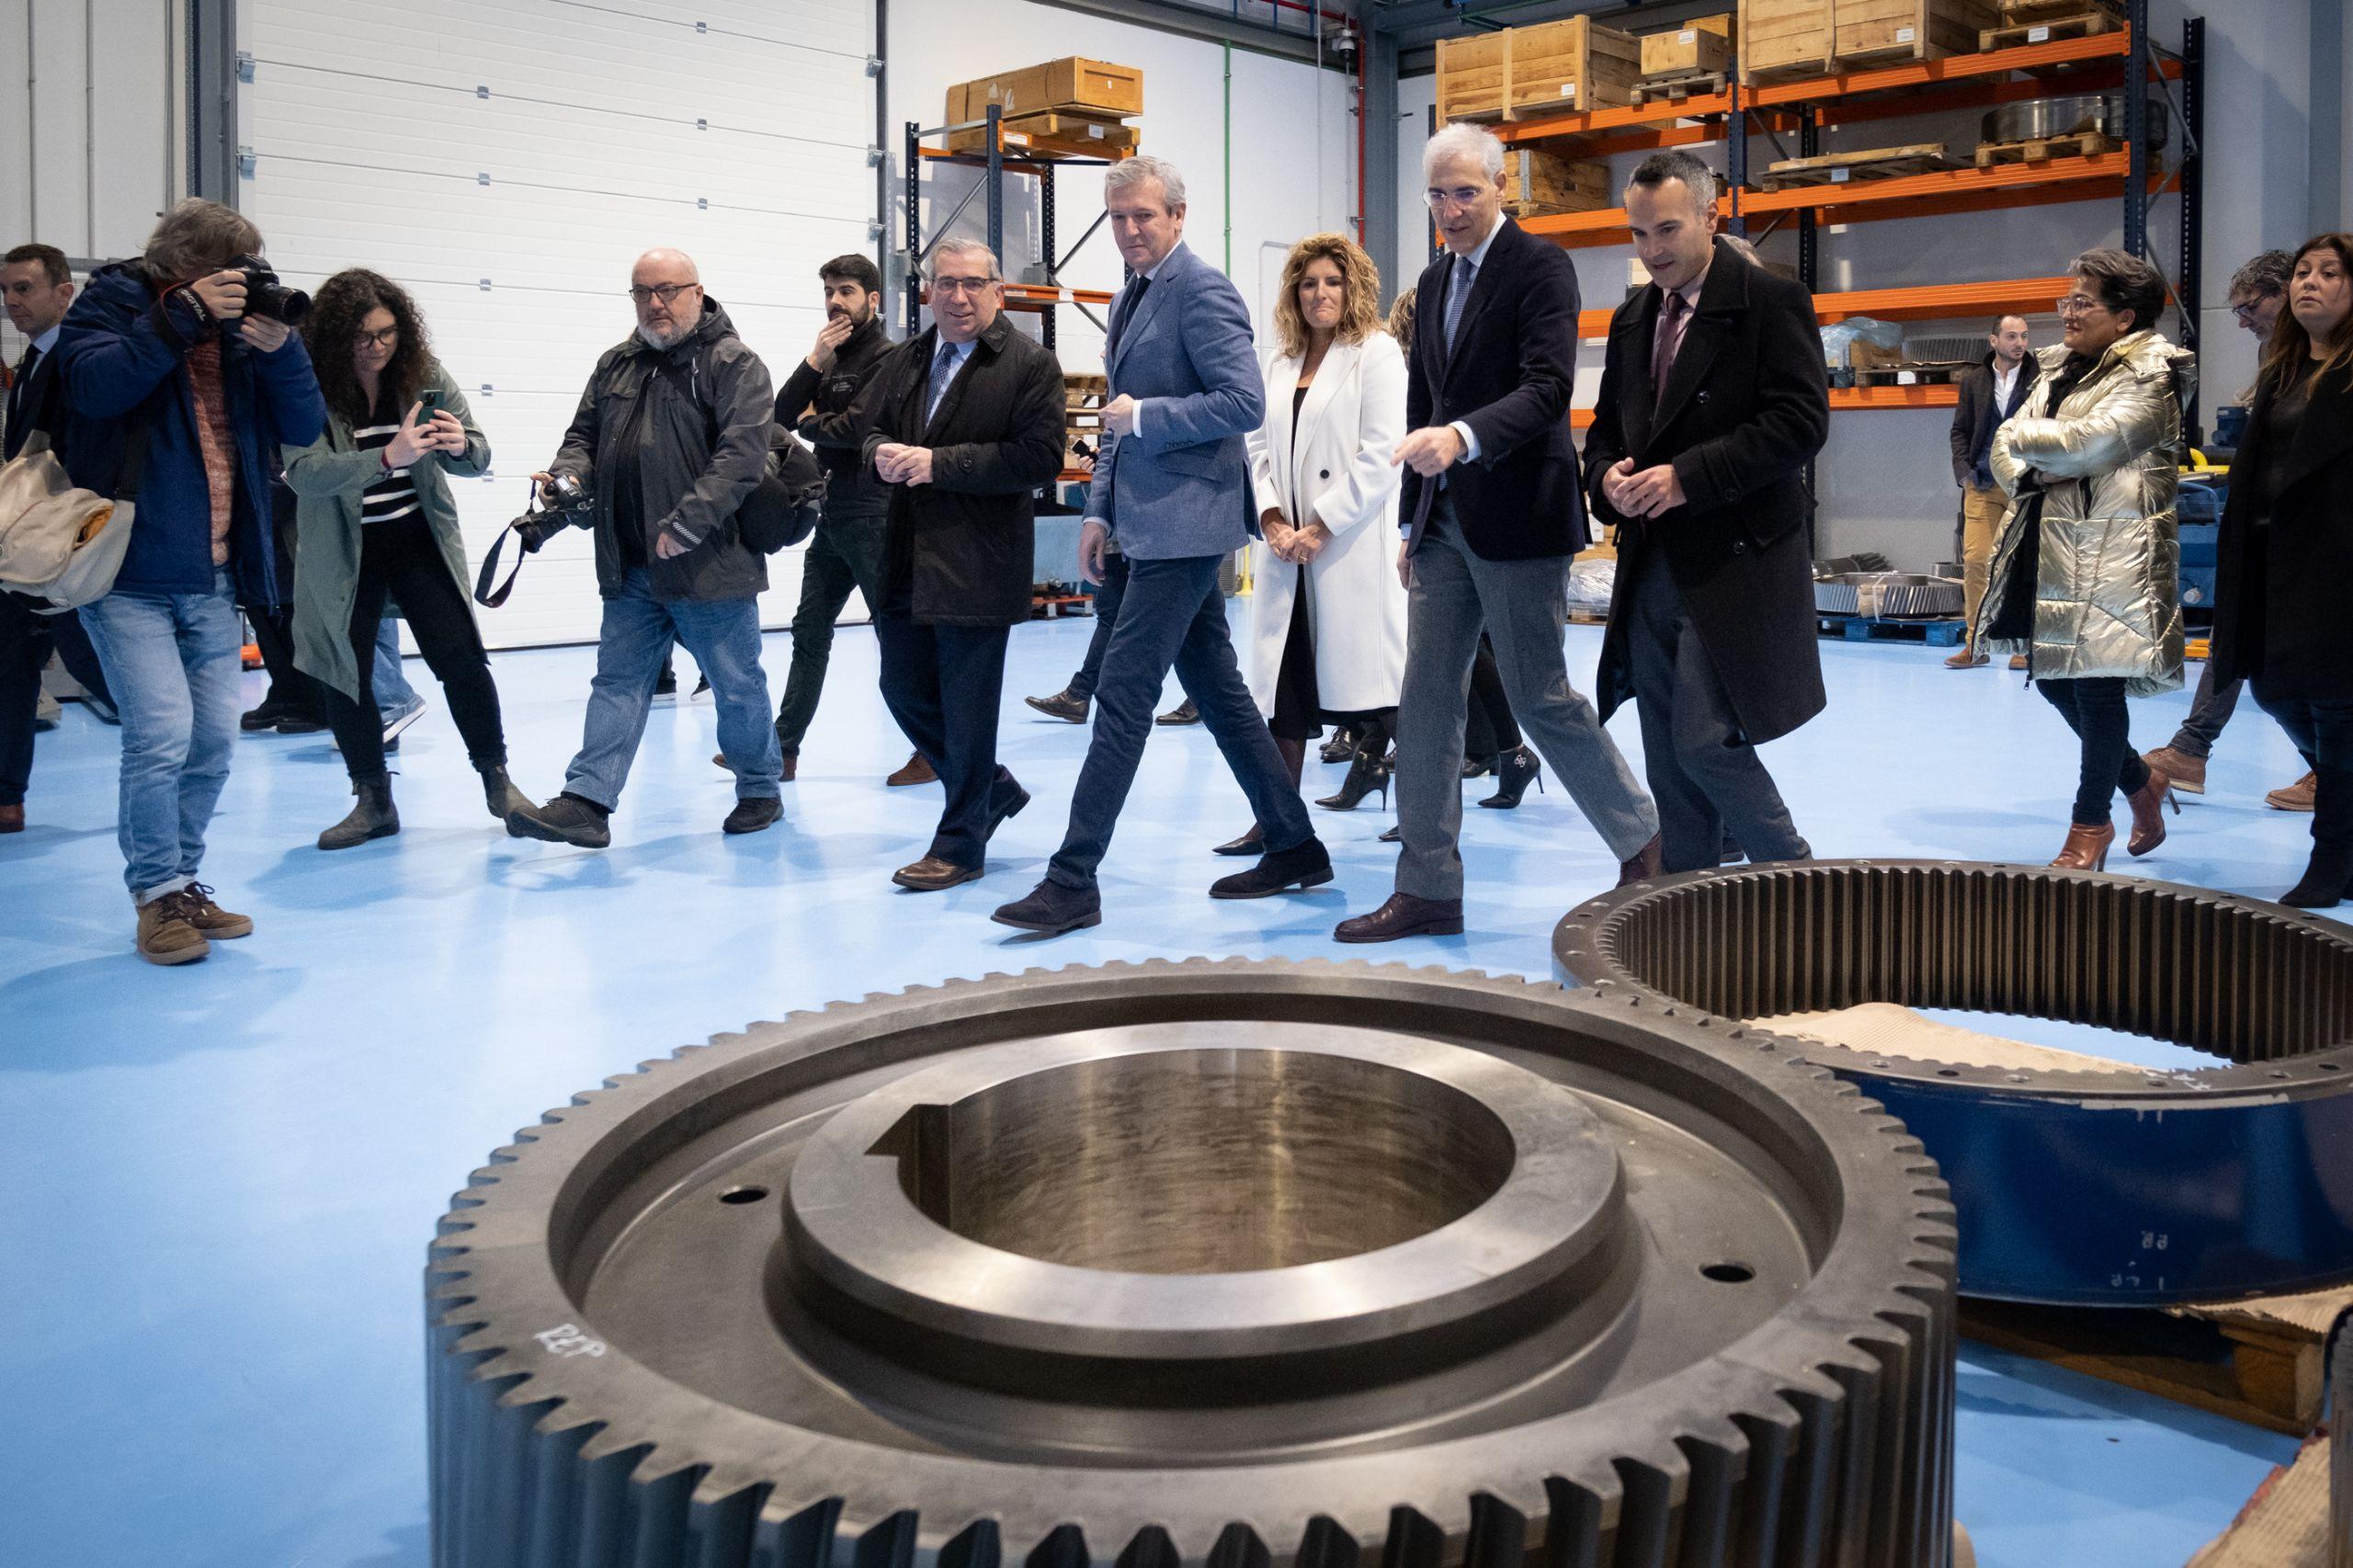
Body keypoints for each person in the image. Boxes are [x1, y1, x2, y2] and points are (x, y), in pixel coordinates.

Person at [1334, 123, 1660, 945]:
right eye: (1436, 195)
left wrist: (1464, 438)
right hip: (1444, 520)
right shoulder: (1434, 279)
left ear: (1501, 186)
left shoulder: (1540, 267)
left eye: (1464, 192)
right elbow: (1422, 409)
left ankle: (1645, 843)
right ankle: (1429, 887)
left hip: (1520, 516)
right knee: (1427, 701)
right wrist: (1413, 515)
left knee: (1538, 697)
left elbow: (1549, 389)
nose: (1449, 209)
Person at [992, 154, 1331, 935]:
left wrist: (1148, 417)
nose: (1131, 230)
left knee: (1122, 696)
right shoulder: (1129, 298)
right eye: (1118, 217)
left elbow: (1242, 402)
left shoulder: (1203, 290)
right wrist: (1096, 512)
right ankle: (1295, 844)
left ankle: (1073, 878)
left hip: (1187, 527)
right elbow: (1114, 417)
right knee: (1218, 692)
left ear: (1178, 216)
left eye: (1144, 215)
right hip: (1142, 525)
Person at [52, 199, 327, 962]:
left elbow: (302, 427)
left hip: (212, 573)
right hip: (129, 572)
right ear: (180, 269)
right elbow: (93, 389)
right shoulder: (115, 301)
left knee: (213, 740)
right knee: (161, 736)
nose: (241, 287)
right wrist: (178, 319)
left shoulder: (240, 334)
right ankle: (154, 899)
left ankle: (183, 883)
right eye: (226, 274)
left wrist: (282, 350)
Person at [1582, 150, 1829, 876]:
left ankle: (1799, 882)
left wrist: (1687, 476)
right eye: (1638, 235)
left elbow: (1800, 424)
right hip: (1652, 559)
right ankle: (1688, 906)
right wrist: (1607, 478)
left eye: (1666, 230)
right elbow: (1603, 430)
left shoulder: (1771, 302)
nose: (1652, 251)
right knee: (1663, 748)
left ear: (1710, 215)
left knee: (1703, 739)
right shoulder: (1632, 320)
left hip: (1738, 559)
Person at [505, 248, 785, 847]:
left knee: (735, 684)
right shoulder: (616, 365)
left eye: (667, 290)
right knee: (618, 683)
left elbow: (740, 457)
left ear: (697, 291)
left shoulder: (733, 364)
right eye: (642, 293)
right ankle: (587, 802)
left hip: (708, 562)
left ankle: (759, 786)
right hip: (631, 564)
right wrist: (568, 478)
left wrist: (688, 523)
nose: (655, 303)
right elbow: (582, 438)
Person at [834, 236, 1063, 890]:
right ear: (927, 291)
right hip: (906, 552)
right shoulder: (908, 358)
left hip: (978, 560)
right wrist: (879, 452)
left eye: (972, 284)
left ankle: (961, 844)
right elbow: (869, 429)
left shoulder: (1029, 365)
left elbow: (1038, 458)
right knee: (900, 687)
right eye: (945, 283)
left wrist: (941, 464)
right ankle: (987, 789)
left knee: (967, 710)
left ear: (997, 291)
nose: (957, 297)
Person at [282, 269, 537, 849]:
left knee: (463, 659)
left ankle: (498, 781)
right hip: (345, 549)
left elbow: (478, 453)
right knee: (344, 673)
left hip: (416, 538)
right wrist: (385, 458)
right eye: (362, 338)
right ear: (333, 338)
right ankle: (372, 799)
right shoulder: (307, 385)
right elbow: (305, 474)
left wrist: (460, 446)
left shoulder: (420, 374)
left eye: (387, 334)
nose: (377, 348)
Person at [1977, 248, 2193, 870]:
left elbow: (2086, 444)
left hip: (2111, 552)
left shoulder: (2155, 371)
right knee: (2049, 678)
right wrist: (2026, 456)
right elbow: (2005, 445)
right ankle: (2142, 781)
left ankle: (2088, 828)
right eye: (2066, 301)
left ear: (2124, 317)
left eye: (2082, 302)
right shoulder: (2058, 367)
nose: (2067, 313)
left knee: (2097, 691)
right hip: (2045, 542)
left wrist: (2025, 444)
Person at [1226, 231, 1408, 853]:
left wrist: (1322, 524)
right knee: (1283, 696)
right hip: (1286, 554)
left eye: (1333, 281)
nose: (1320, 293)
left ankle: (1427, 813)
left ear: (1352, 287)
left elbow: (1383, 455)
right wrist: (1273, 518)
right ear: (1293, 293)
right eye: (1308, 283)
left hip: (1347, 548)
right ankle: (1276, 820)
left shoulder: (1376, 354)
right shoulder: (1278, 361)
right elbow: (1255, 446)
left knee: (1383, 700)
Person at [2207, 233, 2353, 905]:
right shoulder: (2283, 366)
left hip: (2335, 564)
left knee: (2336, 707)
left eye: (2328, 273)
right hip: (2269, 561)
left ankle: (2332, 859)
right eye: (2301, 272)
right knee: (2273, 689)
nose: (2309, 283)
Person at [2144, 249, 2313, 809]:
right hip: (2273, 524)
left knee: (2290, 663)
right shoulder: (2278, 351)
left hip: (2316, 532)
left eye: (2248, 307)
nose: (2240, 320)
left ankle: (2327, 769)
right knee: (2240, 637)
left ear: (2282, 292)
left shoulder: (2333, 352)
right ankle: (2194, 749)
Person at [765, 252, 932, 789]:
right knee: (809, 629)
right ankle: (783, 749)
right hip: (831, 516)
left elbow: (860, 429)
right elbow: (779, 418)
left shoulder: (891, 357)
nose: (836, 302)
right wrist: (815, 362)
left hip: (874, 516)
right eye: (830, 292)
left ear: (873, 300)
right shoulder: (831, 357)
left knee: (894, 634)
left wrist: (818, 423)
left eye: (847, 292)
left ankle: (931, 750)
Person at [2, 243, 119, 835]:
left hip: (71, 541)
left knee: (89, 658)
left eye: (24, 289)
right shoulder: (30, 362)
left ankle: (185, 746)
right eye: (6, 291)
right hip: (31, 543)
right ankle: (7, 799)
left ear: (63, 293)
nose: (11, 302)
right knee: (12, 656)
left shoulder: (77, 358)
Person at [1945, 315, 2038, 668]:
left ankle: (2023, 646)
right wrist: (1964, 474)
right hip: (1982, 484)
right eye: (2012, 336)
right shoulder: (1974, 381)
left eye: (2024, 336)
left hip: (2024, 486)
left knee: (2023, 565)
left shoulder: (2040, 378)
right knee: (1976, 562)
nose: (2020, 343)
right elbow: (1959, 431)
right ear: (1993, 340)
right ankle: (1975, 645)